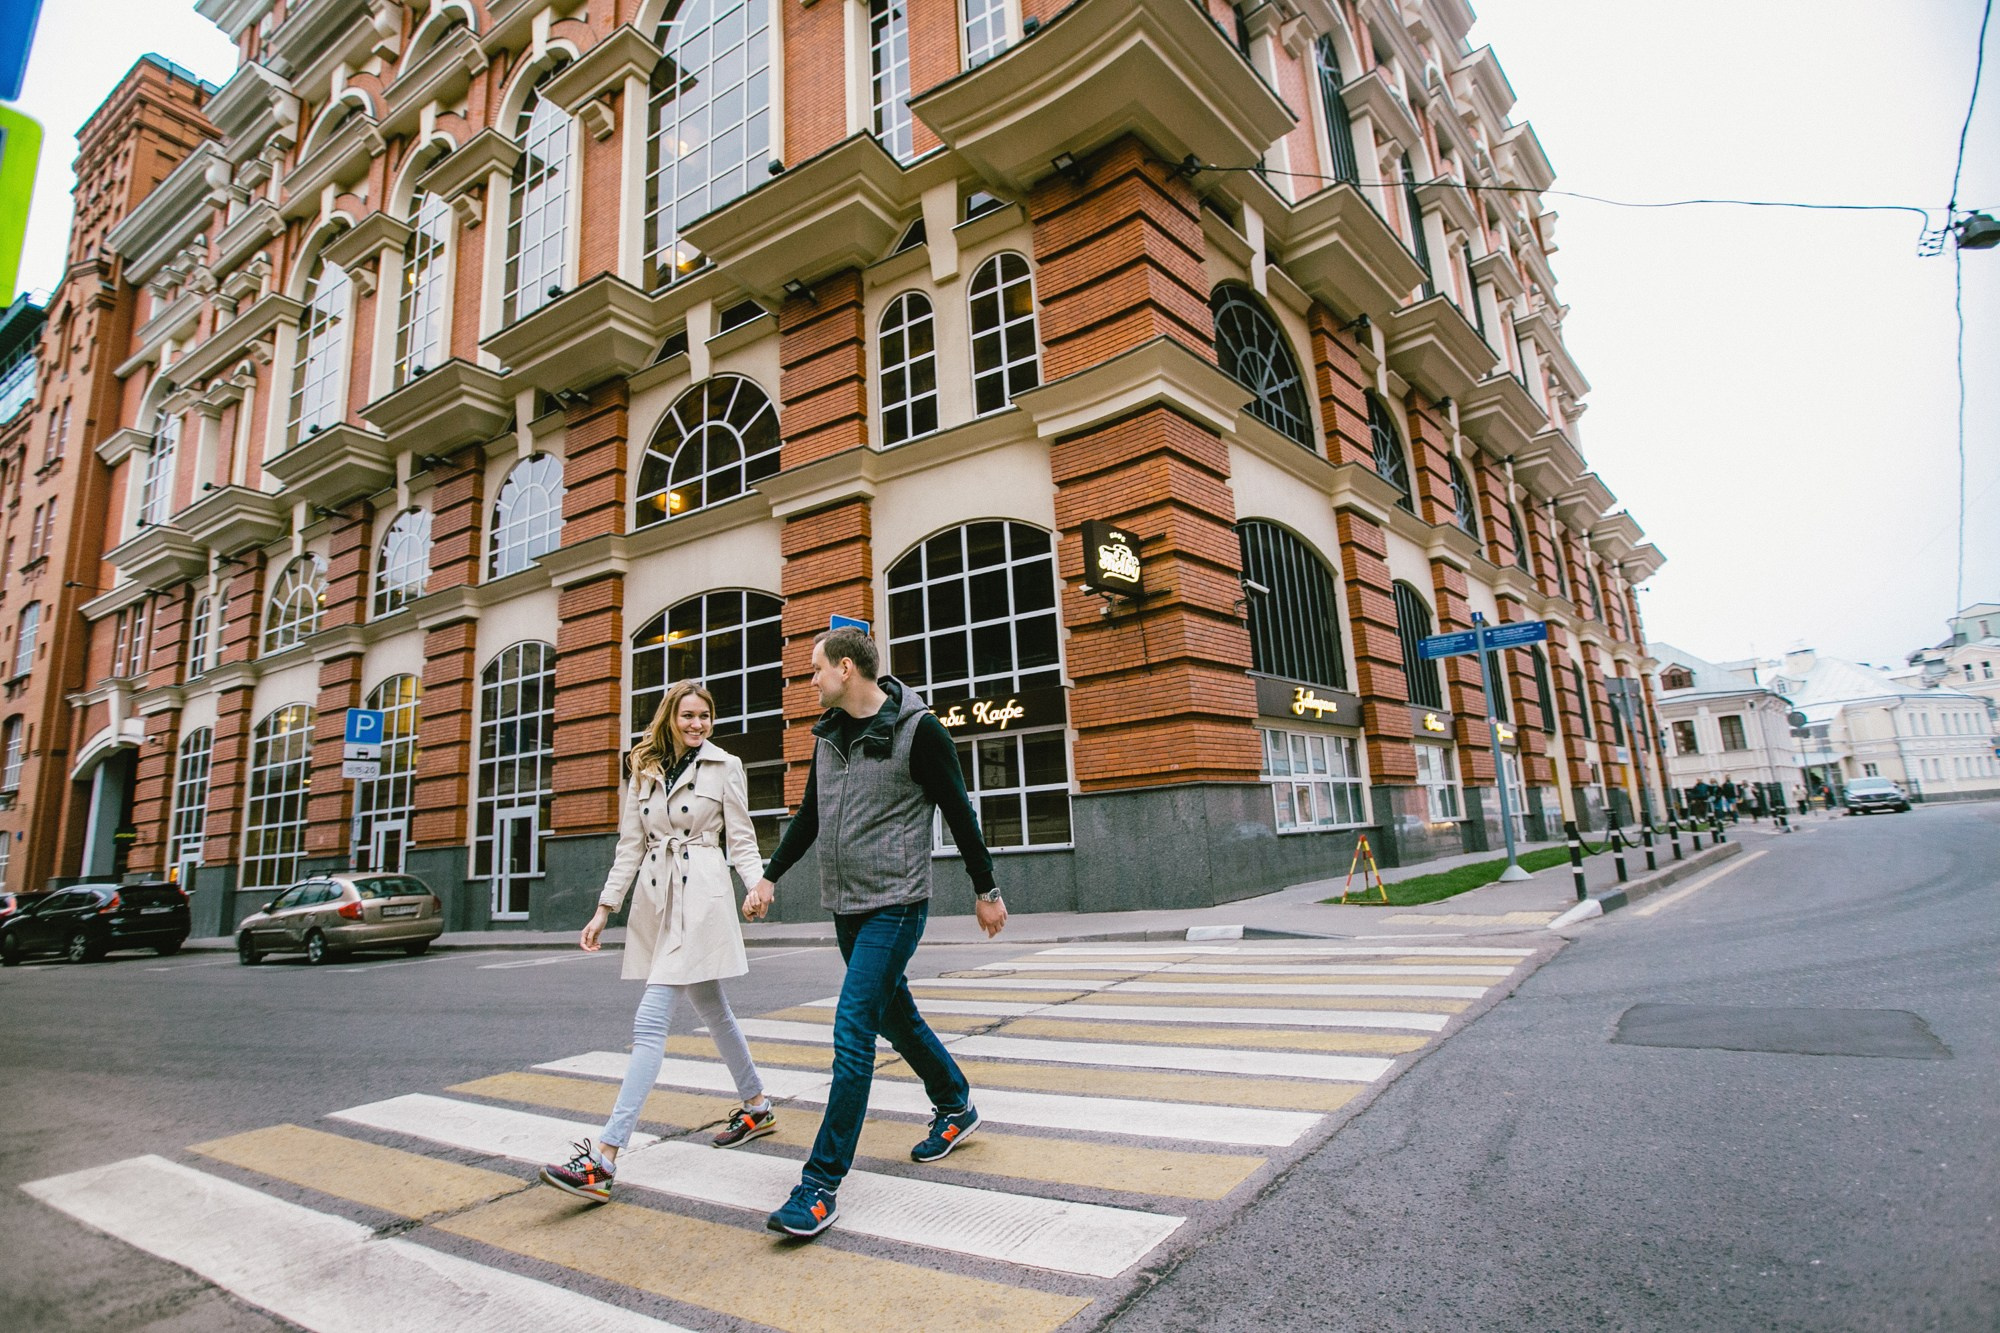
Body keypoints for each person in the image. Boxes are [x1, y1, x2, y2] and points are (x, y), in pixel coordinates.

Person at [742, 626, 1005, 1239]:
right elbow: (810, 815)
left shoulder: (919, 731)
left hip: (897, 903)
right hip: (847, 906)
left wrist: (985, 891)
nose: (809, 681)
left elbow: (960, 812)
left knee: (853, 1026)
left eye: (814, 671)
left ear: (845, 669)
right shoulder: (829, 737)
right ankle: (956, 1103)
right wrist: (770, 877)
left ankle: (820, 1185)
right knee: (895, 1016)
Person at [538, 680, 776, 1203]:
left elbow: (741, 835)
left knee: (650, 1023)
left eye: (705, 716)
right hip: (659, 898)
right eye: (688, 715)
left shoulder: (724, 765)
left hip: (703, 900)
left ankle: (605, 1158)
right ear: (670, 717)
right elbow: (631, 844)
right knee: (714, 1010)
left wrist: (756, 885)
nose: (697, 724)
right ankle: (757, 1105)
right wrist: (605, 909)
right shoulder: (643, 768)